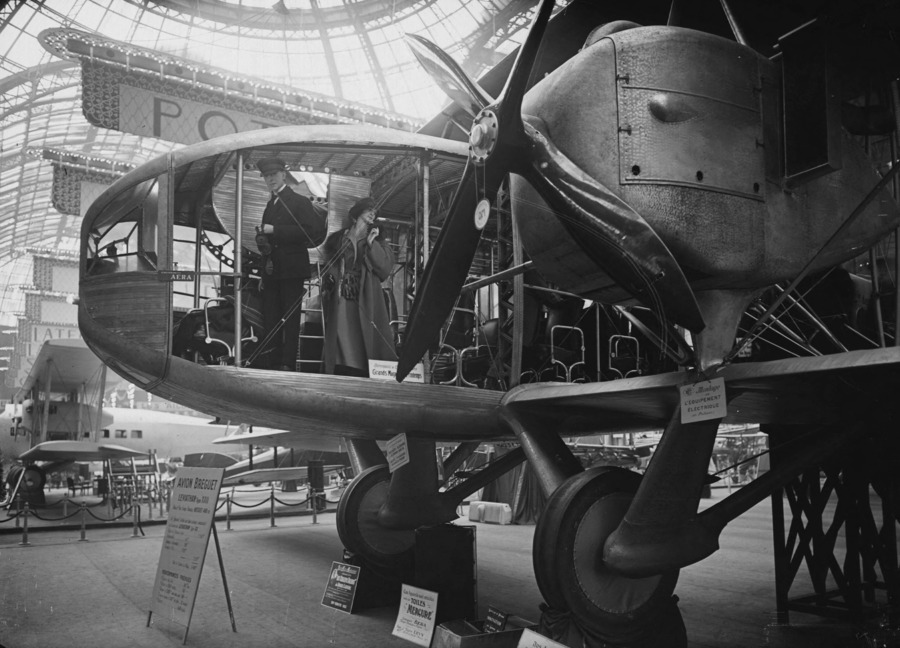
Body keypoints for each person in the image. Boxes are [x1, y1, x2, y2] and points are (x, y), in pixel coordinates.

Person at [256, 156, 326, 370]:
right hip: (273, 270)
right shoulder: (271, 205)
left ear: (283, 175)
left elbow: (311, 232)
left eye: (273, 175)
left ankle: (287, 364)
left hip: (292, 269)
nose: (270, 180)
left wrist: (275, 230)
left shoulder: (300, 201)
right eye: (267, 177)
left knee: (290, 319)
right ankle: (273, 363)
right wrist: (263, 272)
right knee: (272, 318)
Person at [321, 197, 396, 376]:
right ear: (357, 214)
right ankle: (341, 367)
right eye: (368, 210)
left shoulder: (378, 239)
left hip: (366, 294)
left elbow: (384, 269)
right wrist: (330, 280)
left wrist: (371, 244)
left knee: (365, 331)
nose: (372, 213)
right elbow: (331, 264)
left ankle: (364, 370)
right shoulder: (339, 238)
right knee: (341, 329)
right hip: (342, 292)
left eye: (374, 211)